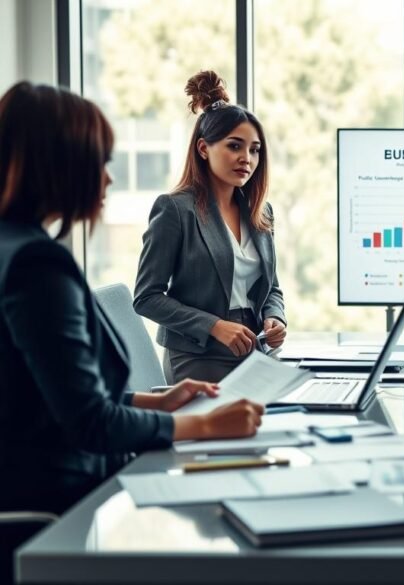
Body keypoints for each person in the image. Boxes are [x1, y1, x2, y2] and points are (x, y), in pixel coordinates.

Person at [0, 82, 263, 577]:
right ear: (57, 164)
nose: (107, 179)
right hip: (59, 509)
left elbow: (41, 399)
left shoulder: (15, 246)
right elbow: (90, 423)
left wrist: (154, 401)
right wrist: (204, 425)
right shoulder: (36, 264)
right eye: (98, 161)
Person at [135, 71, 287, 383]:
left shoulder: (261, 212)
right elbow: (146, 297)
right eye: (235, 146)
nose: (246, 158)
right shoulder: (175, 209)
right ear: (204, 149)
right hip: (197, 355)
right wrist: (214, 325)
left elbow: (271, 287)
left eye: (255, 149)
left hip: (254, 349)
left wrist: (274, 317)